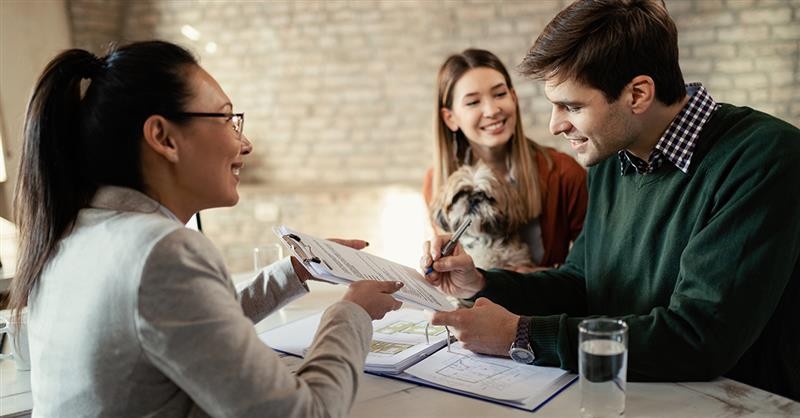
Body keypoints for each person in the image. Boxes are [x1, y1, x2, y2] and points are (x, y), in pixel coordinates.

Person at [422, 0, 800, 402]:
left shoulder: (764, 157)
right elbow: (582, 282)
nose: (554, 125)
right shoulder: (611, 158)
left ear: (637, 94)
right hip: (632, 392)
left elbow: (699, 337)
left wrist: (521, 335)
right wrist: (483, 282)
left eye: (571, 106)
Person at [8, 40, 404, 417]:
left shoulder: (77, 230)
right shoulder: (161, 249)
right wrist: (352, 313)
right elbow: (305, 412)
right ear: (164, 137)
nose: (245, 143)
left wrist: (297, 269)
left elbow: (189, 326)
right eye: (228, 119)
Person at [423, 49, 587, 271]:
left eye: (499, 94)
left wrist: (535, 279)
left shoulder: (564, 173)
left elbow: (594, 265)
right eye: (473, 102)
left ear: (514, 98)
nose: (491, 110)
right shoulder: (437, 181)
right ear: (450, 118)